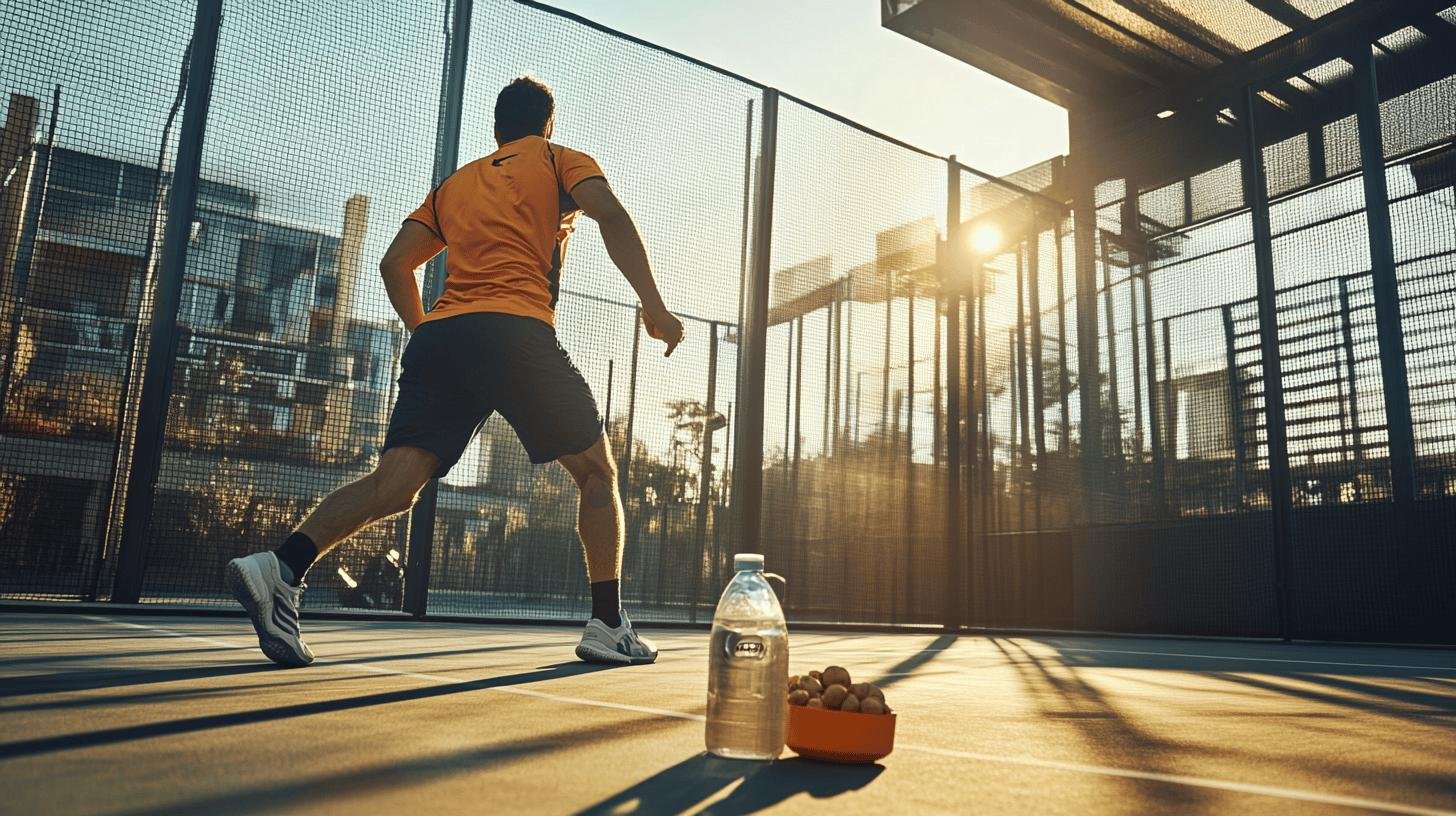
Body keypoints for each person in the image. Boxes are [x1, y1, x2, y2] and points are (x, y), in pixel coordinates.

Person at [225, 76, 684, 668]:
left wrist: (426, 334)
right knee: (597, 473)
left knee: (392, 487)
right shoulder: (560, 159)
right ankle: (608, 623)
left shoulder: (454, 185)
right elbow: (611, 215)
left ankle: (281, 566)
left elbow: (396, 265)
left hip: (442, 335)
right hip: (515, 330)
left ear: (495, 131)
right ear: (548, 124)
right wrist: (653, 303)